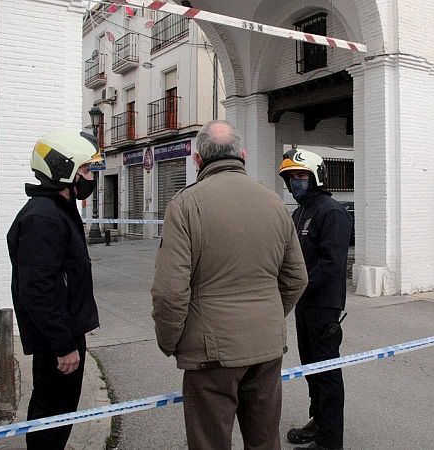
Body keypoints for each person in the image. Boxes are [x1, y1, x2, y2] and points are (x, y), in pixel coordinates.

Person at [151, 120, 308, 450]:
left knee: (210, 441)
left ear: (197, 160)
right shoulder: (275, 203)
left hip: (211, 354)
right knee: (265, 441)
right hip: (265, 346)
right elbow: (296, 278)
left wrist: (171, 341)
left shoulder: (185, 205)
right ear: (243, 155)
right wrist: (267, 314)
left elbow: (169, 292)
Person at [7, 130, 104, 449]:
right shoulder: (44, 218)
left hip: (64, 333)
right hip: (57, 342)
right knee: (52, 414)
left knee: (59, 413)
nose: (90, 177)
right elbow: (37, 291)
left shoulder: (57, 210)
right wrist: (63, 346)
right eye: (86, 170)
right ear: (63, 171)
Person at [279, 148, 353, 450]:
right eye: (292, 177)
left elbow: (331, 264)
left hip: (324, 306)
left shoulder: (331, 212)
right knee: (311, 368)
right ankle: (318, 420)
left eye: (301, 176)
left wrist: (298, 286)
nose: (296, 182)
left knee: (326, 372)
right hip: (305, 304)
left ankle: (330, 440)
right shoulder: (299, 213)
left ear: (316, 177)